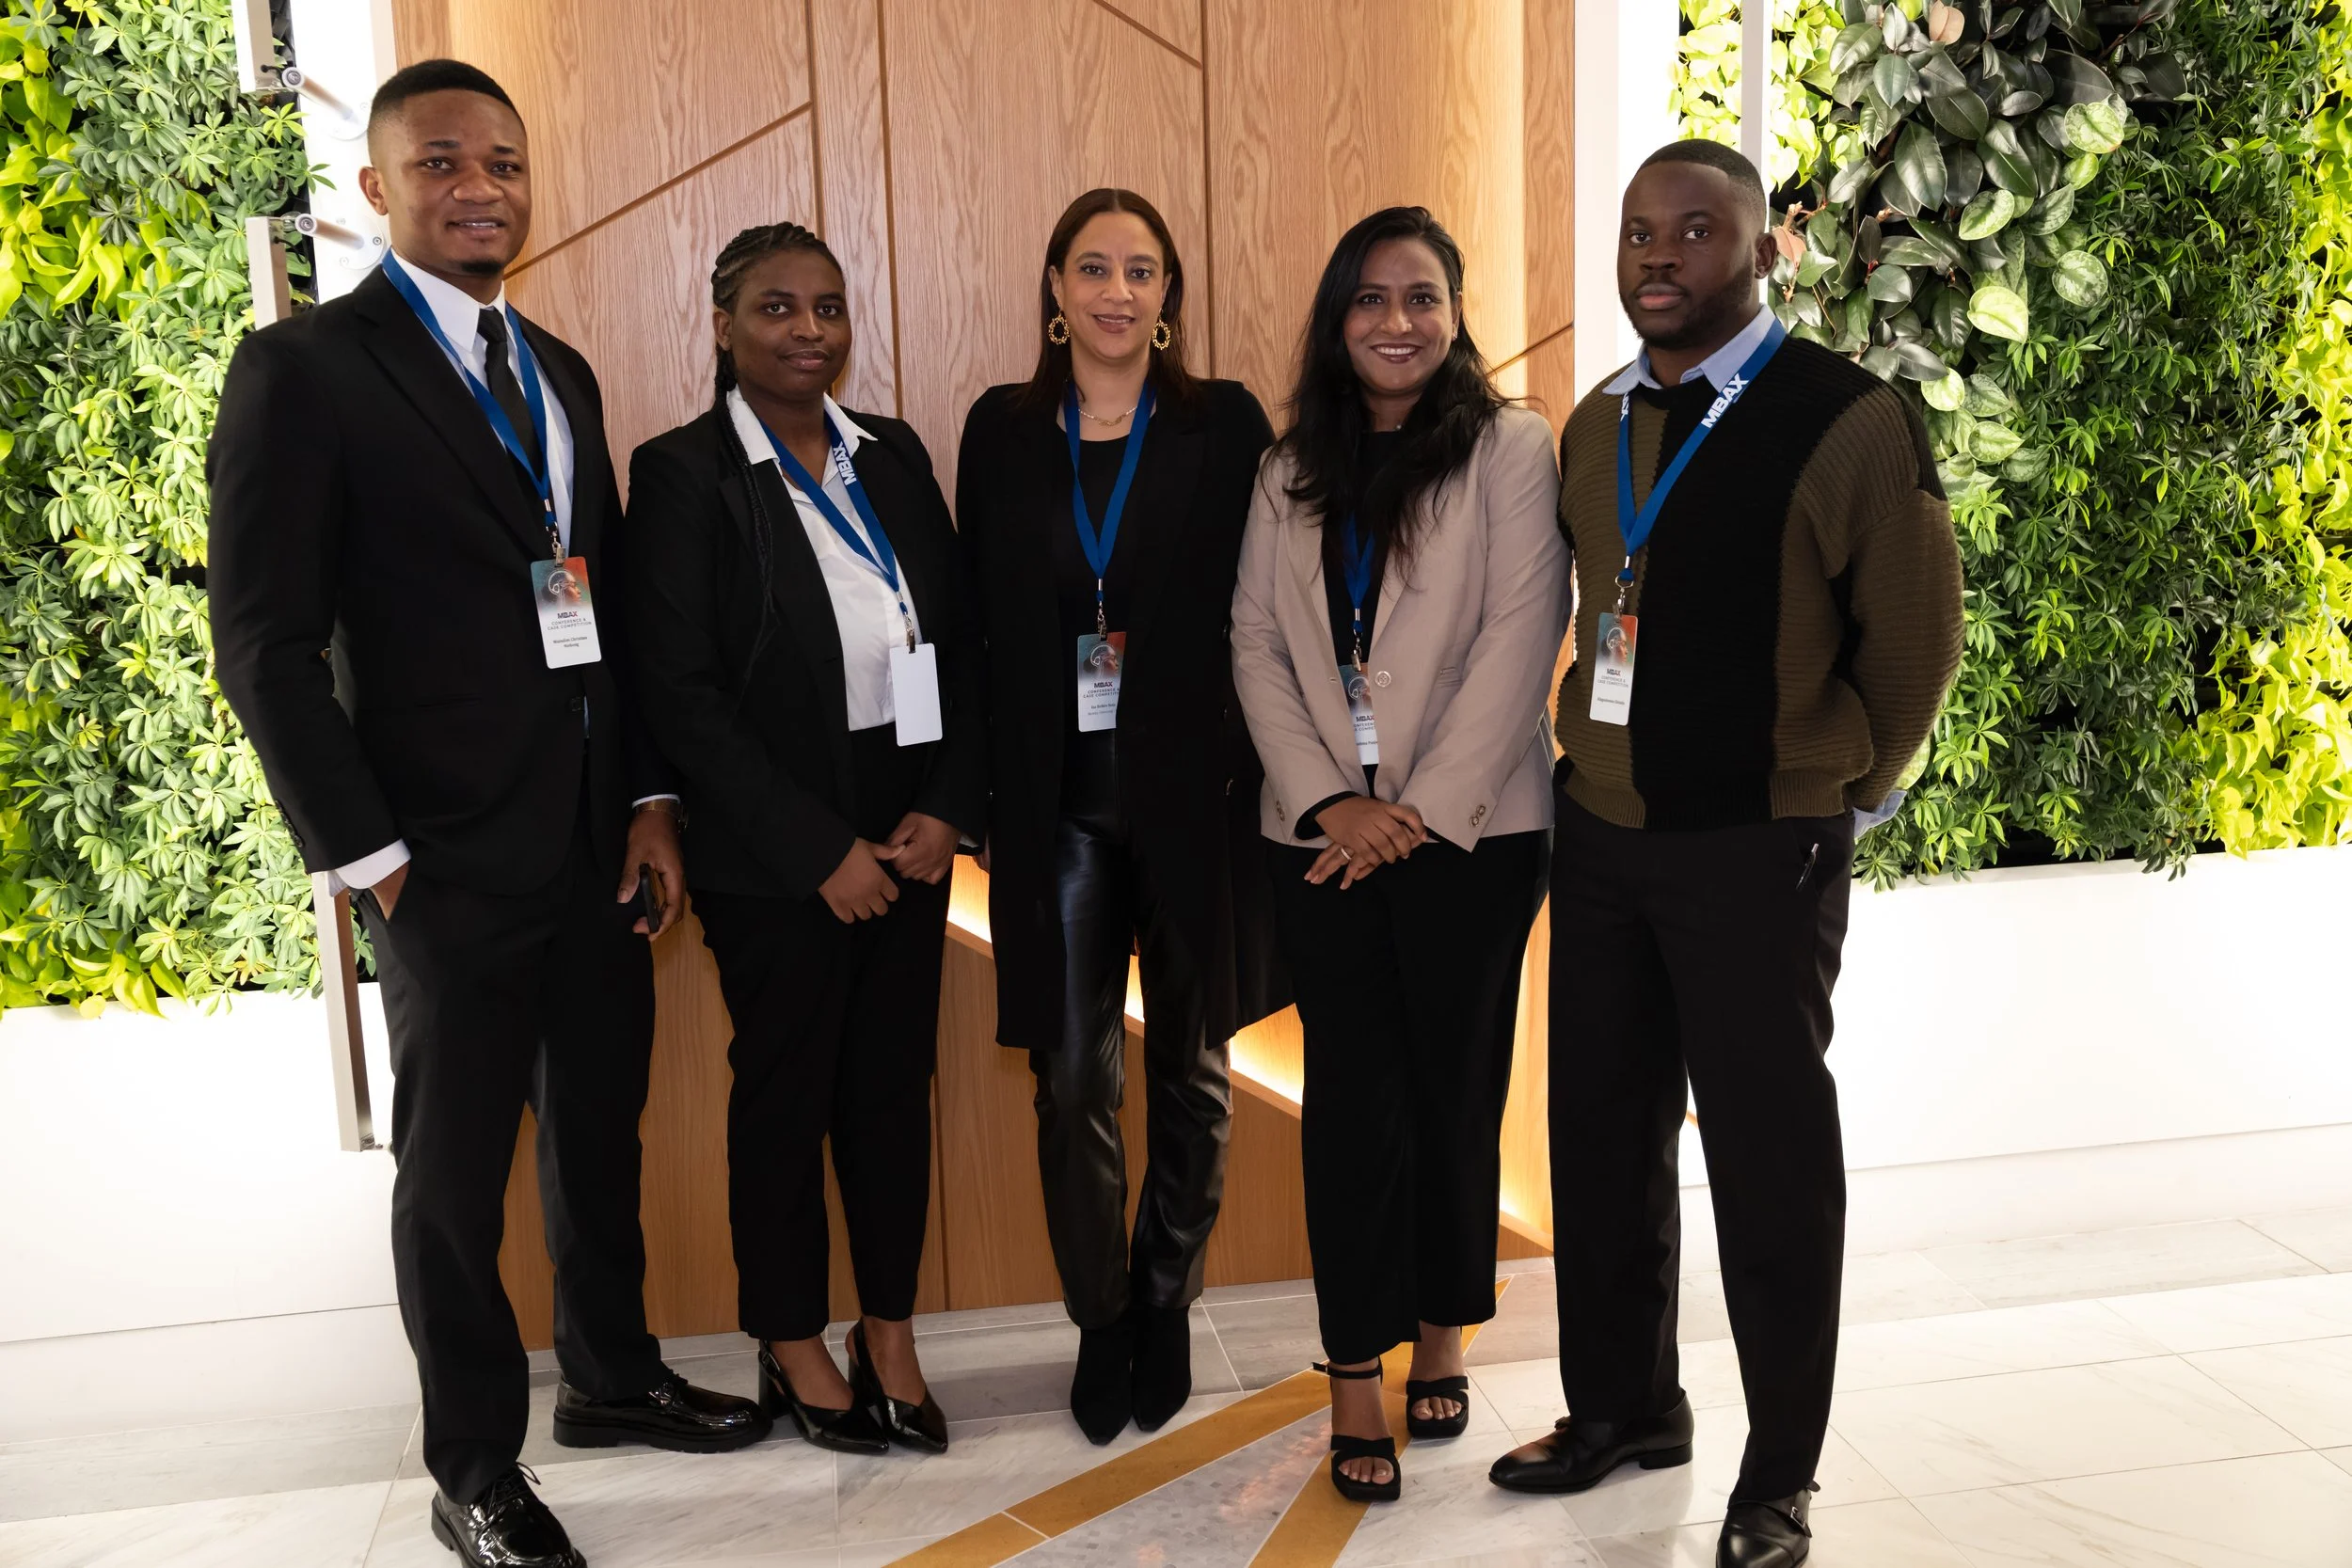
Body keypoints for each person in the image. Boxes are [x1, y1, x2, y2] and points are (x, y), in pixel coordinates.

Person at [207, 60, 764, 1568]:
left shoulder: (561, 371)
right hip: (435, 862)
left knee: (599, 1130)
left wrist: (650, 801)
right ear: (379, 187)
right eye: (444, 162)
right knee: (452, 1183)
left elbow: (614, 615)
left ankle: (613, 1373)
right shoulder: (304, 371)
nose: (483, 188)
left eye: (507, 163)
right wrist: (373, 861)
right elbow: (261, 645)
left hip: (593, 848)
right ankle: (472, 1470)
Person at [1486, 142, 1963, 1568]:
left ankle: (1781, 1472)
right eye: (1641, 231)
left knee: (1767, 1165)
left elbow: (1916, 645)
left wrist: (1841, 794)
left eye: (1698, 231)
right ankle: (1625, 1409)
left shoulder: (1850, 419)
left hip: (1762, 850)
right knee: (1604, 1137)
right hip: (1608, 837)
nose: (1660, 255)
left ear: (1765, 253)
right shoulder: (1595, 425)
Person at [622, 222, 984, 1458]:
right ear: (722, 326)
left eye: (827, 307)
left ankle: (890, 1329)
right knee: (784, 1095)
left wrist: (947, 805)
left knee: (891, 1092)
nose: (808, 330)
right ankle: (789, 1340)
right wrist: (814, 850)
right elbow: (679, 692)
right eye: (777, 308)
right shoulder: (681, 474)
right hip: (774, 847)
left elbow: (966, 642)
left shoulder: (895, 456)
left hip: (909, 827)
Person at [1231, 207, 1567, 1502]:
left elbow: (1522, 630)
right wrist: (1331, 802)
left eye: (1421, 296)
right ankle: (1353, 1375)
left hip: (1474, 834)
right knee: (1351, 1105)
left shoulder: (1509, 447)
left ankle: (1442, 1328)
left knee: (1455, 1087)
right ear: (1337, 316)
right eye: (1370, 299)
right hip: (1319, 843)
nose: (1396, 322)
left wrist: (1412, 808)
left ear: (1455, 309)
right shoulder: (1287, 467)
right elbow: (1254, 641)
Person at [957, 188, 1280, 1445]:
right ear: (1054, 290)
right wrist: (979, 797)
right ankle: (1099, 1314)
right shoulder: (999, 430)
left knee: (1196, 1068)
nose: (1117, 291)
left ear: (1170, 297)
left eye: (1142, 271)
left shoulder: (1225, 423)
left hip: (1197, 799)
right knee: (1069, 1074)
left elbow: (1270, 602)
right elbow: (979, 627)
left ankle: (1165, 1295)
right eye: (1092, 268)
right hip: (1058, 809)